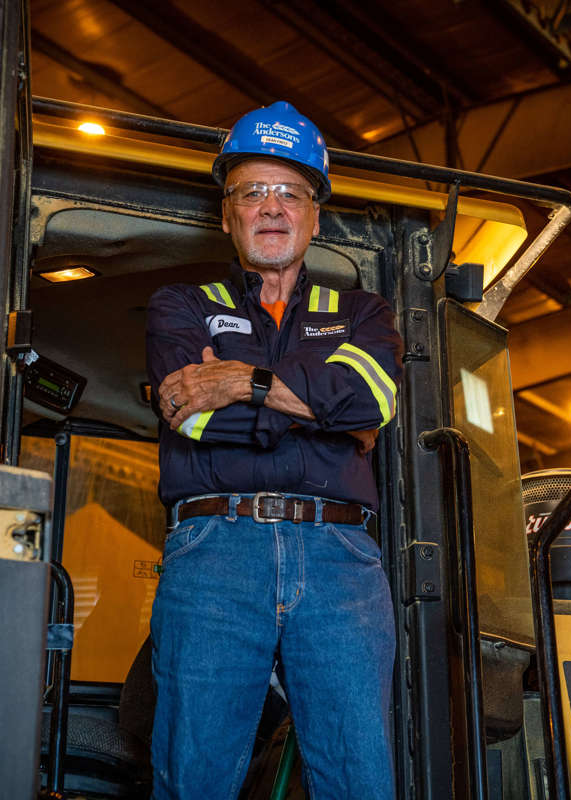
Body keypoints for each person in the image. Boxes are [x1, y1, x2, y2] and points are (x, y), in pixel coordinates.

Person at [145, 101, 402, 800]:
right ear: (226, 211)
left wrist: (241, 382)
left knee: (361, 779)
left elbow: (373, 400)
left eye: (290, 192)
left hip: (341, 564)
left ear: (316, 215)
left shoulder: (364, 314)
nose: (271, 207)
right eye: (251, 191)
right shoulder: (180, 306)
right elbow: (191, 420)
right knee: (193, 774)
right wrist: (324, 415)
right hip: (214, 550)